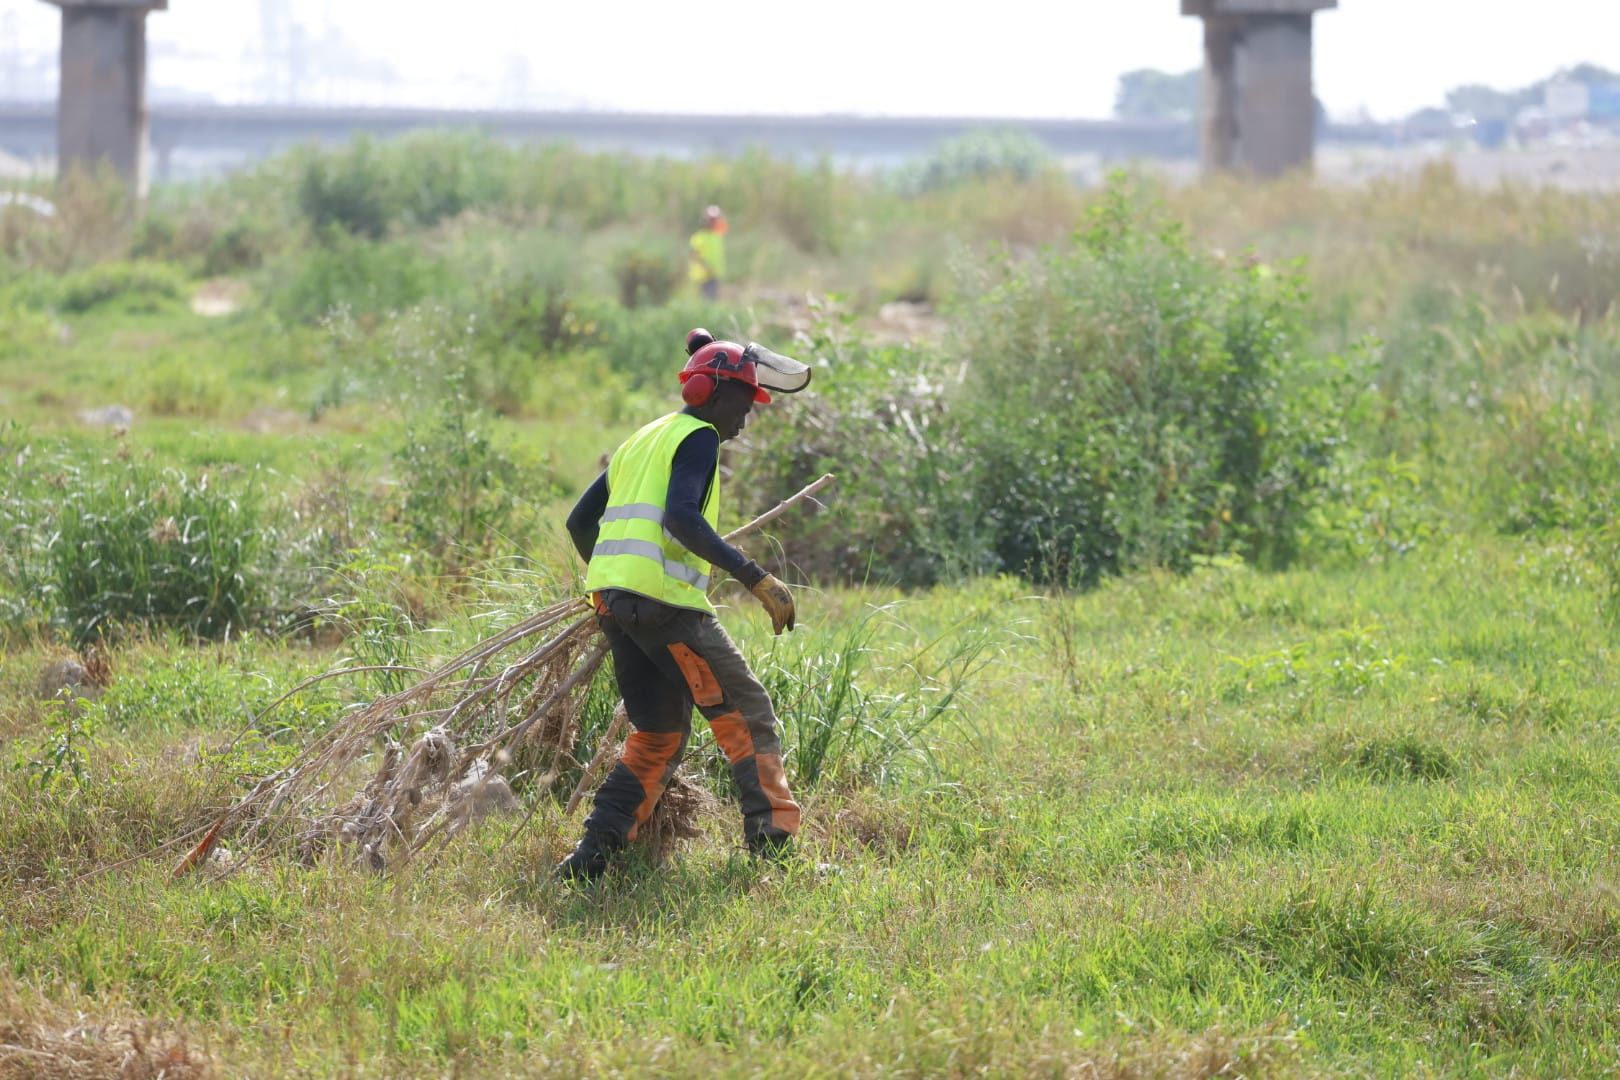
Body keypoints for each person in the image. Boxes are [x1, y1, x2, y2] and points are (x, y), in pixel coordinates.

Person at [557, 328, 812, 883]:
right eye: (744, 404)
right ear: (713, 394)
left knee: (658, 733)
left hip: (615, 605)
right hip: (668, 607)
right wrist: (756, 577)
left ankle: (591, 859)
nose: (745, 420)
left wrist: (615, 581)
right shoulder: (698, 436)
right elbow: (680, 519)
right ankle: (774, 852)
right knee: (748, 714)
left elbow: (580, 522)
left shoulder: (642, 438)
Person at [688, 205, 728, 301]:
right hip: (703, 277)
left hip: (714, 275)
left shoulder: (716, 236)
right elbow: (694, 255)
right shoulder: (699, 237)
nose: (715, 222)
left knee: (712, 301)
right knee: (707, 302)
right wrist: (708, 267)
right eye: (712, 220)